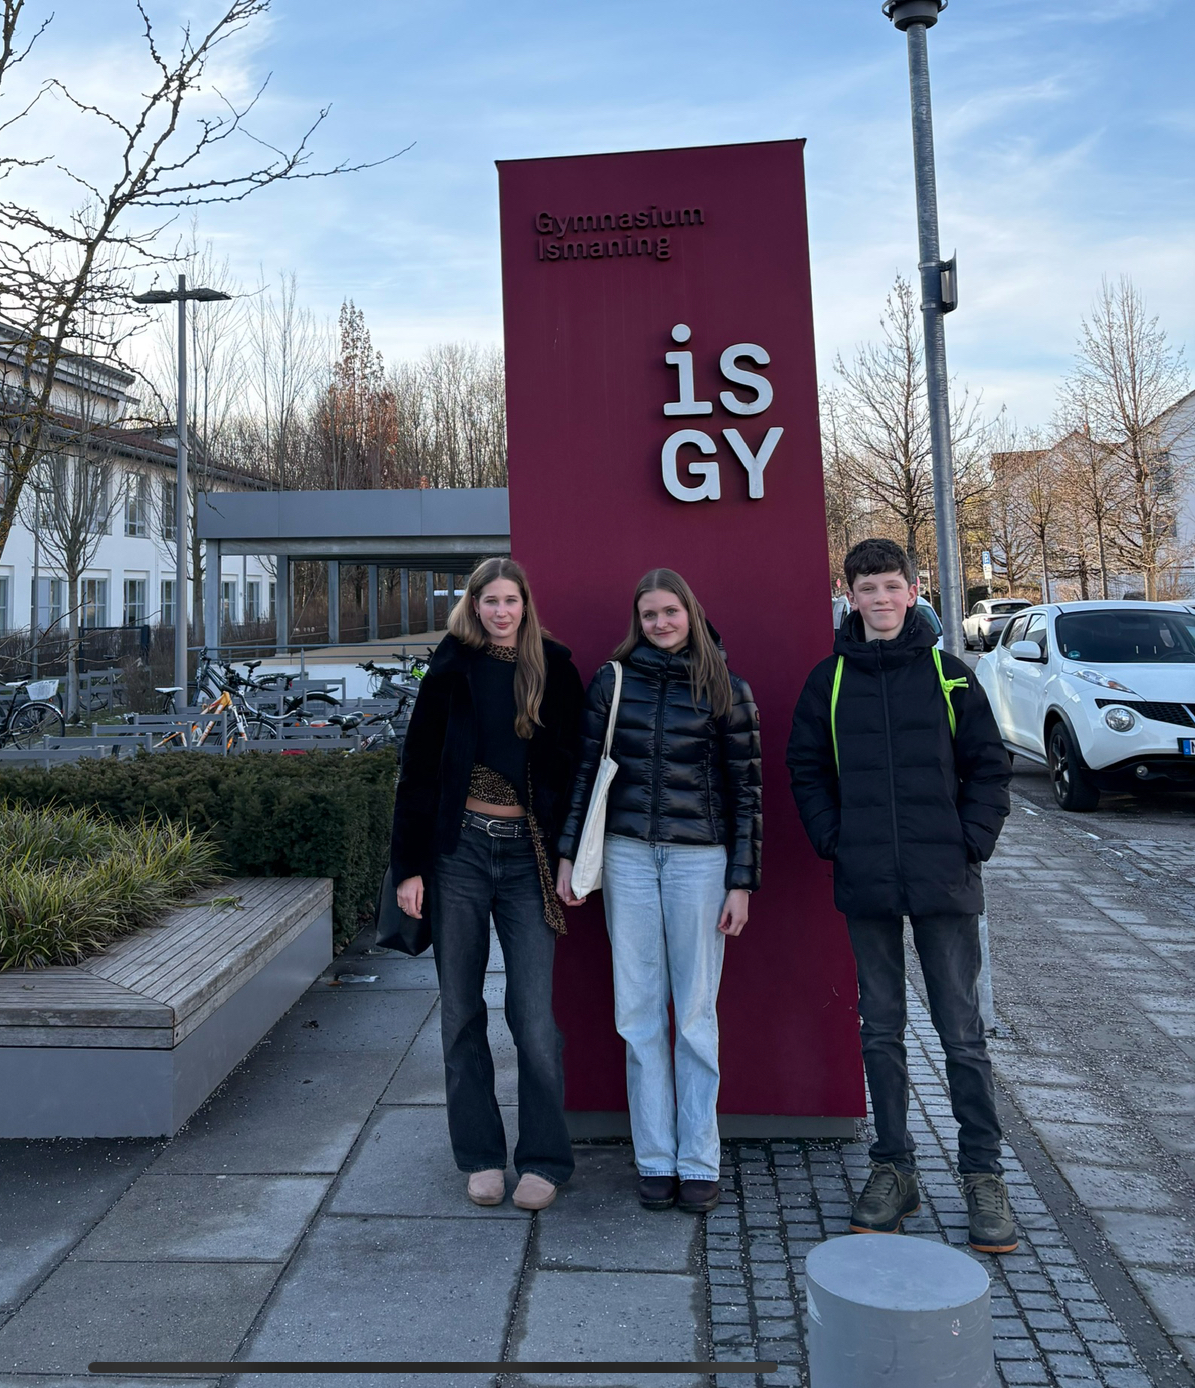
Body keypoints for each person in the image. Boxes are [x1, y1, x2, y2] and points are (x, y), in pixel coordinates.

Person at [788, 536, 1017, 1252]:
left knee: (961, 1035)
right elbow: (805, 769)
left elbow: (989, 767)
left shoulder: (950, 678)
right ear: (847, 594)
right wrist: (832, 837)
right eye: (867, 589)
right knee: (879, 1031)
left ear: (912, 591)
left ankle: (982, 1175)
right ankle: (893, 1168)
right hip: (866, 880)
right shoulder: (826, 682)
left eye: (891, 586)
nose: (880, 600)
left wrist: (970, 839)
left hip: (945, 878)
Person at [555, 568, 762, 1213]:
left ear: (691, 613)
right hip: (626, 859)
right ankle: (655, 1158)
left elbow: (747, 794)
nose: (660, 623)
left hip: (702, 862)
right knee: (638, 1012)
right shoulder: (613, 683)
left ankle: (699, 1157)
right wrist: (568, 856)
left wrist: (742, 882)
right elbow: (586, 772)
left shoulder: (727, 687)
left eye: (670, 611)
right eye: (649, 615)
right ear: (637, 621)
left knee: (696, 1014)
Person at [390, 555, 586, 1210]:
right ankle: (478, 1153)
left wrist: (568, 856)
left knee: (532, 1019)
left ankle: (543, 1158)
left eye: (510, 600)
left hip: (528, 857)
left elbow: (576, 772)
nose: (500, 612)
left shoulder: (552, 667)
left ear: (525, 605)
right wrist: (409, 867)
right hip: (460, 855)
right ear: (472, 606)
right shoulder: (451, 665)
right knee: (460, 1010)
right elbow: (418, 769)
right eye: (489, 601)